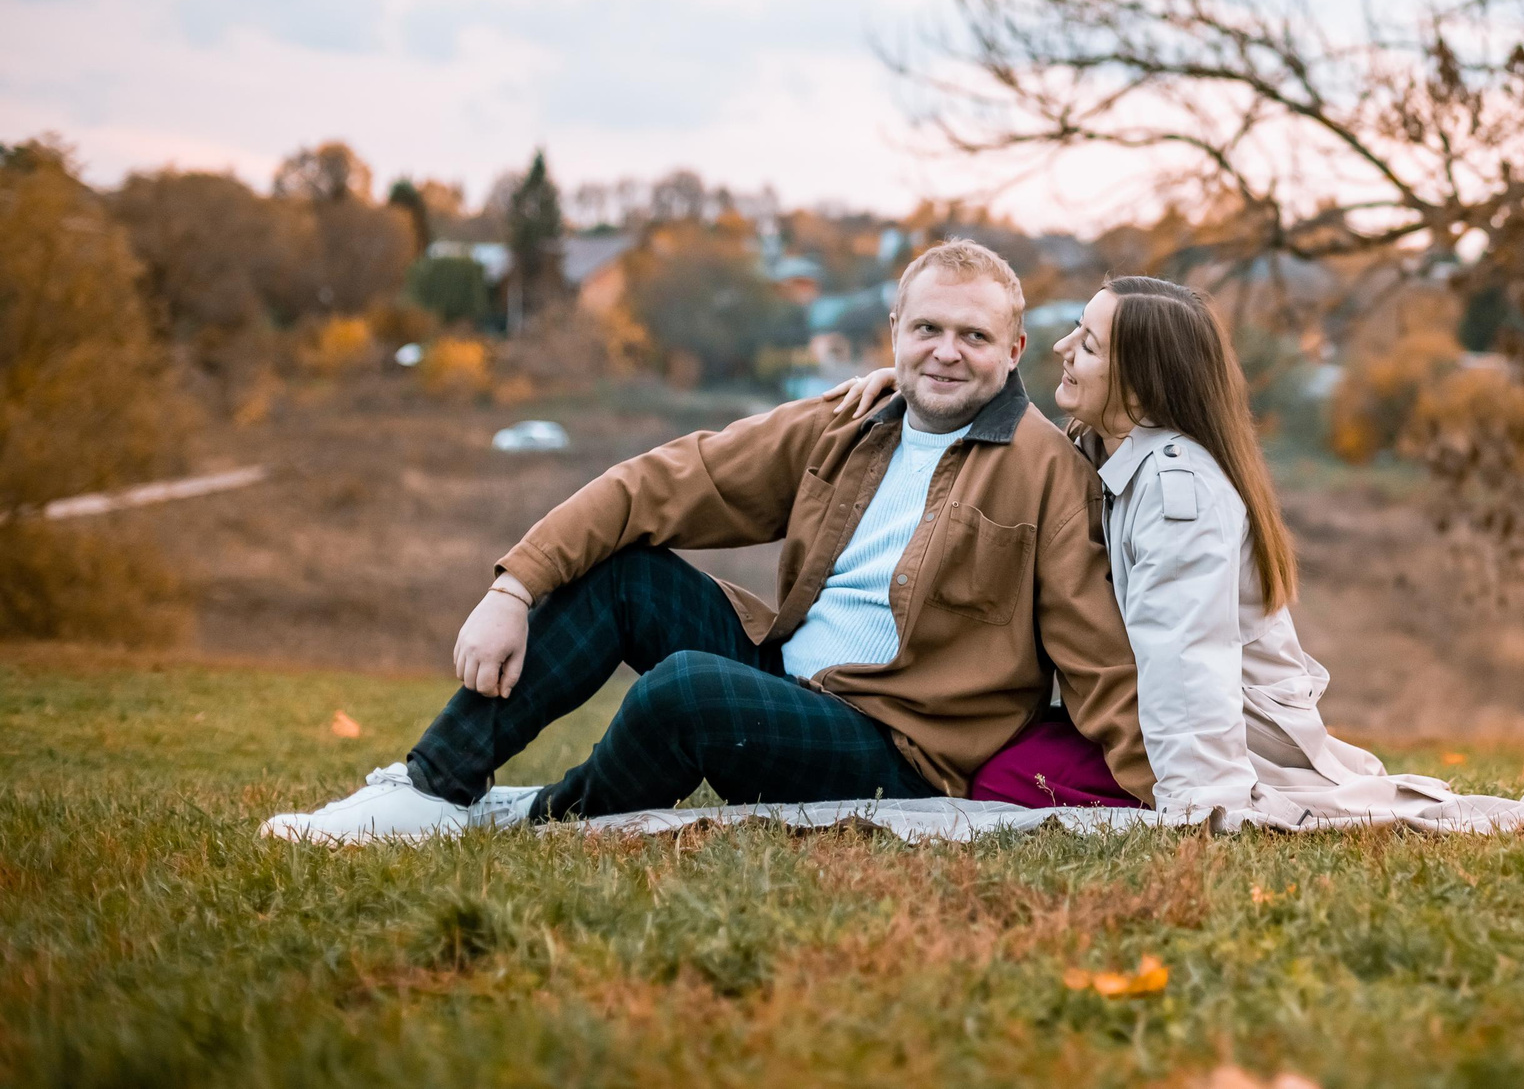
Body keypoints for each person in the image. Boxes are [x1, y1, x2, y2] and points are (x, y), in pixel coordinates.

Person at [264, 240, 1153, 843]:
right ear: (896, 332)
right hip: (786, 679)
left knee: (688, 689)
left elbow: (1097, 658)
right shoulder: (848, 422)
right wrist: (513, 587)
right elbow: (663, 481)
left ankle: (548, 816)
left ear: (1015, 348)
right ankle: (429, 787)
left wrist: (1177, 795)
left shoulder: (1047, 475)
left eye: (973, 335)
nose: (946, 353)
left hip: (897, 748)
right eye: (927, 328)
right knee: (628, 576)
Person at [842, 275, 1524, 827]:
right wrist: (905, 386)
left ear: (1140, 383)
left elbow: (1189, 658)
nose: (1063, 350)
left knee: (998, 778)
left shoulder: (1181, 492)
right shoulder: (1108, 446)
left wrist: (1202, 809)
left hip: (1226, 735)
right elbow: (1019, 433)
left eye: (1086, 344)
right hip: (1142, 711)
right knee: (996, 754)